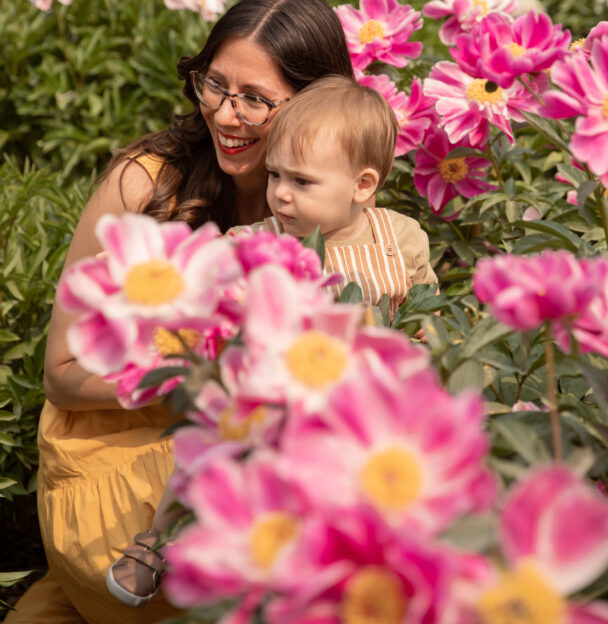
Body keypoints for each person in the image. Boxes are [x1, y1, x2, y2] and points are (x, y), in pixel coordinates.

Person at [12, 0, 354, 624]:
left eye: (255, 99)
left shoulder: (337, 204)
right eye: (215, 86)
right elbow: (59, 374)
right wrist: (190, 385)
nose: (226, 114)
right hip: (115, 472)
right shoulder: (145, 183)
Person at [106, 75, 437, 607]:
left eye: (302, 182)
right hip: (270, 402)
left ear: (362, 185)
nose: (280, 193)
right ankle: (159, 541)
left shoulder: (398, 241)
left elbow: (430, 318)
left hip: (367, 408)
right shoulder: (252, 244)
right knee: (203, 450)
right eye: (276, 174)